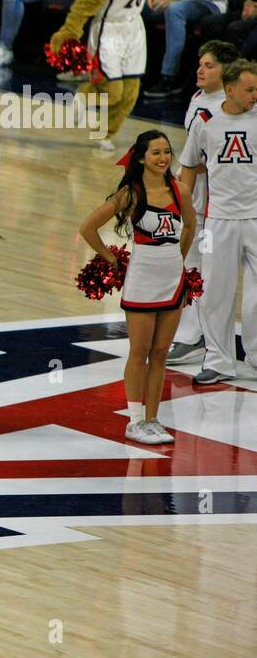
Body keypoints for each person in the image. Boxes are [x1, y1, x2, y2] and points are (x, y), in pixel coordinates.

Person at [80, 130, 196, 443]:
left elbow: (190, 226)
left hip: (172, 278)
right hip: (143, 279)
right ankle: (134, 421)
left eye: (167, 152)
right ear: (142, 157)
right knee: (139, 352)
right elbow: (88, 228)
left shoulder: (180, 190)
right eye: (156, 152)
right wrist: (111, 260)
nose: (163, 158)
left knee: (160, 353)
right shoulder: (131, 194)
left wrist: (178, 260)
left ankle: (153, 419)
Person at [179, 58, 257, 384]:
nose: (255, 95)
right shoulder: (205, 121)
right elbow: (188, 167)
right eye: (249, 89)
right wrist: (181, 215)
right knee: (214, 292)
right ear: (230, 88)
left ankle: (254, 358)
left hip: (255, 218)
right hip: (217, 223)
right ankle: (220, 360)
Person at [168, 40, 239, 364]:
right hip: (193, 195)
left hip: (218, 201)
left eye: (209, 65)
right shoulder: (198, 97)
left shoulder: (230, 105)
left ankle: (199, 336)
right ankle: (189, 332)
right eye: (200, 63)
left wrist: (190, 168)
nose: (201, 69)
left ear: (226, 71)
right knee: (188, 263)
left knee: (207, 268)